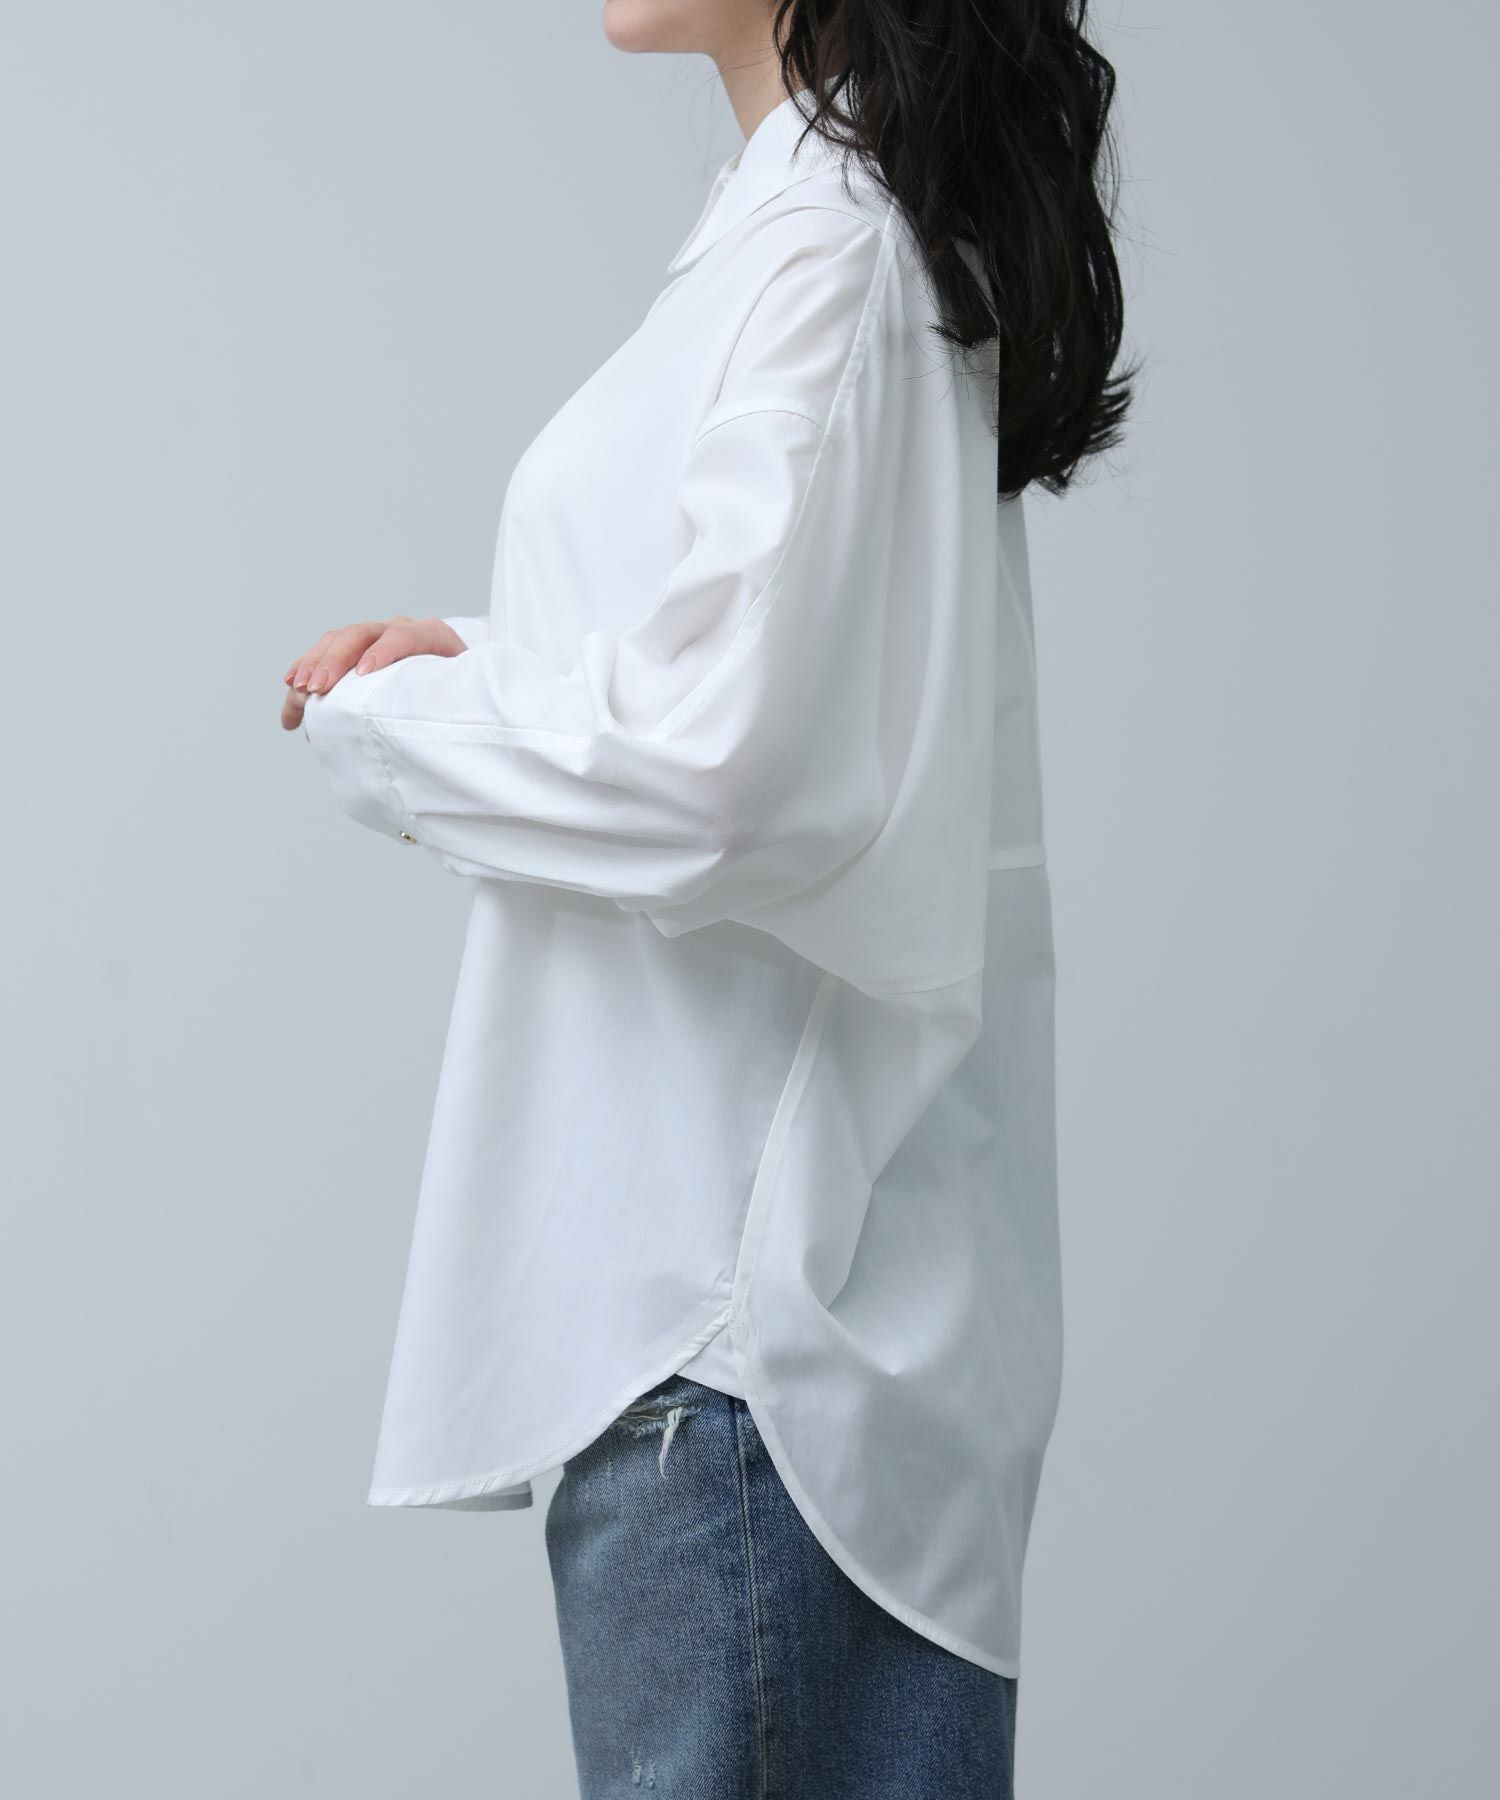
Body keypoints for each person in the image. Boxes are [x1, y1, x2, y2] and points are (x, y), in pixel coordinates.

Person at [281, 2, 1132, 1792]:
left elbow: (732, 771)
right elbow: (770, 699)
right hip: (741, 1362)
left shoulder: (832, 246)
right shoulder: (807, 228)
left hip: (745, 1364)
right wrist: (496, 657)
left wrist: (392, 730)